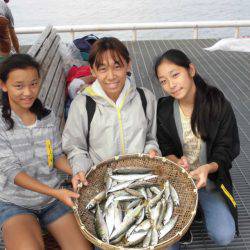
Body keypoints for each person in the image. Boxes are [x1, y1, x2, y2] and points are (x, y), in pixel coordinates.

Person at [0, 54, 92, 250]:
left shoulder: (47, 116)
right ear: (3, 85)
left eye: (33, 84)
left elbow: (57, 155)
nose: (28, 92)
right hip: (16, 202)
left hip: (52, 200)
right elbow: (12, 173)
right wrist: (56, 192)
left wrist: (77, 172)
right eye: (19, 86)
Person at [155, 49, 240, 248]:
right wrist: (175, 161)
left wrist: (208, 167)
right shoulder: (164, 108)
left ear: (191, 70)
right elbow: (164, 145)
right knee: (168, 244)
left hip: (209, 181)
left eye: (175, 75)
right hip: (177, 182)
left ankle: (199, 207)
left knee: (224, 235)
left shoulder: (218, 104)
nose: (171, 85)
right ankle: (189, 210)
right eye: (163, 81)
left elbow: (227, 148)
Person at [62, 36, 160, 191]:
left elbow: (150, 137)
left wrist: (151, 150)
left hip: (141, 181)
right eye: (103, 69)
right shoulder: (82, 104)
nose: (111, 76)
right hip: (102, 184)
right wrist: (80, 169)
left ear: (128, 65)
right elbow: (75, 148)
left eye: (117, 66)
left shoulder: (145, 98)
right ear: (93, 71)